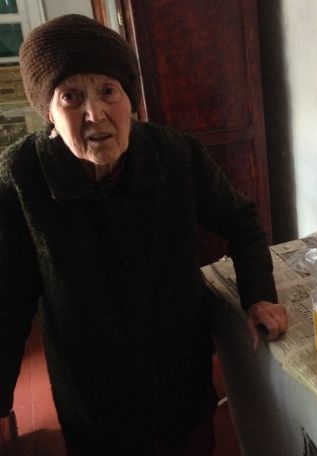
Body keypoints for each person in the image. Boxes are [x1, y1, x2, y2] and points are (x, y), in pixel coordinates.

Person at [0, 14, 287, 455]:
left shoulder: (175, 154)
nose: (95, 114)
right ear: (49, 113)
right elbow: (9, 296)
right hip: (93, 388)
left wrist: (259, 295)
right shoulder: (22, 177)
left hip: (180, 369)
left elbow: (243, 223)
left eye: (108, 91)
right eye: (71, 96)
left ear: (129, 99)